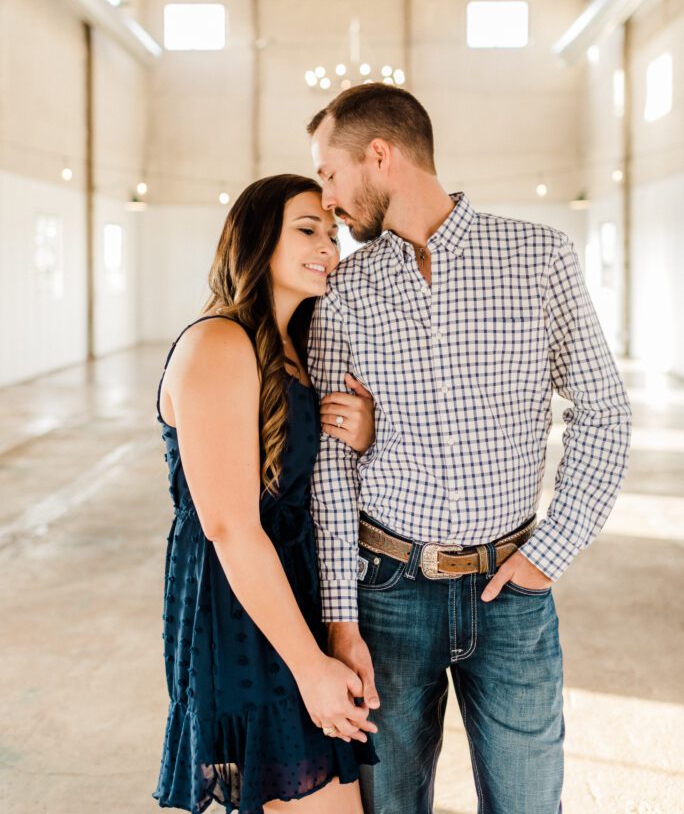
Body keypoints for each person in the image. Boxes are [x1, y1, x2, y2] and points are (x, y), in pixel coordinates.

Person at [305, 83, 632, 814]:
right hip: (386, 594)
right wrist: (341, 618)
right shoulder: (346, 290)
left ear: (379, 156)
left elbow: (604, 412)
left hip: (511, 596)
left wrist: (551, 552)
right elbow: (330, 467)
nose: (327, 199)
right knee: (389, 806)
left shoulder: (538, 258)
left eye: (330, 173)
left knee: (526, 804)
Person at [152, 174, 379, 814]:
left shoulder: (291, 344)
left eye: (332, 235)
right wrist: (311, 668)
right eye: (307, 230)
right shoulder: (219, 342)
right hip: (237, 608)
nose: (327, 248)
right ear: (255, 241)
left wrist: (359, 435)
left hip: (287, 592)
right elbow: (228, 526)